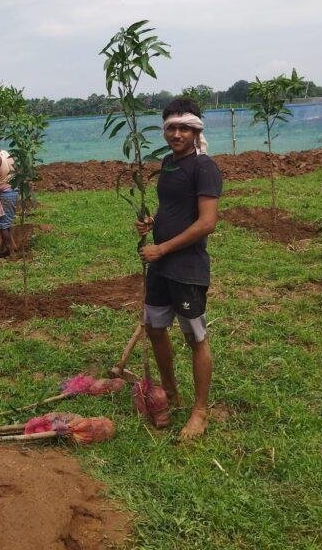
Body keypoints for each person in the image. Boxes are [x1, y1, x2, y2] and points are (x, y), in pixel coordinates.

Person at [134, 98, 221, 441]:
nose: (177, 134)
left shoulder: (205, 167)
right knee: (155, 328)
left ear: (196, 130)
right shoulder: (169, 164)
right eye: (171, 127)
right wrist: (153, 222)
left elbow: (207, 222)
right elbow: (171, 206)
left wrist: (163, 248)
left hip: (186, 267)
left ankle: (200, 411)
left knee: (195, 337)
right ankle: (170, 392)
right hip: (160, 266)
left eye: (184, 127)